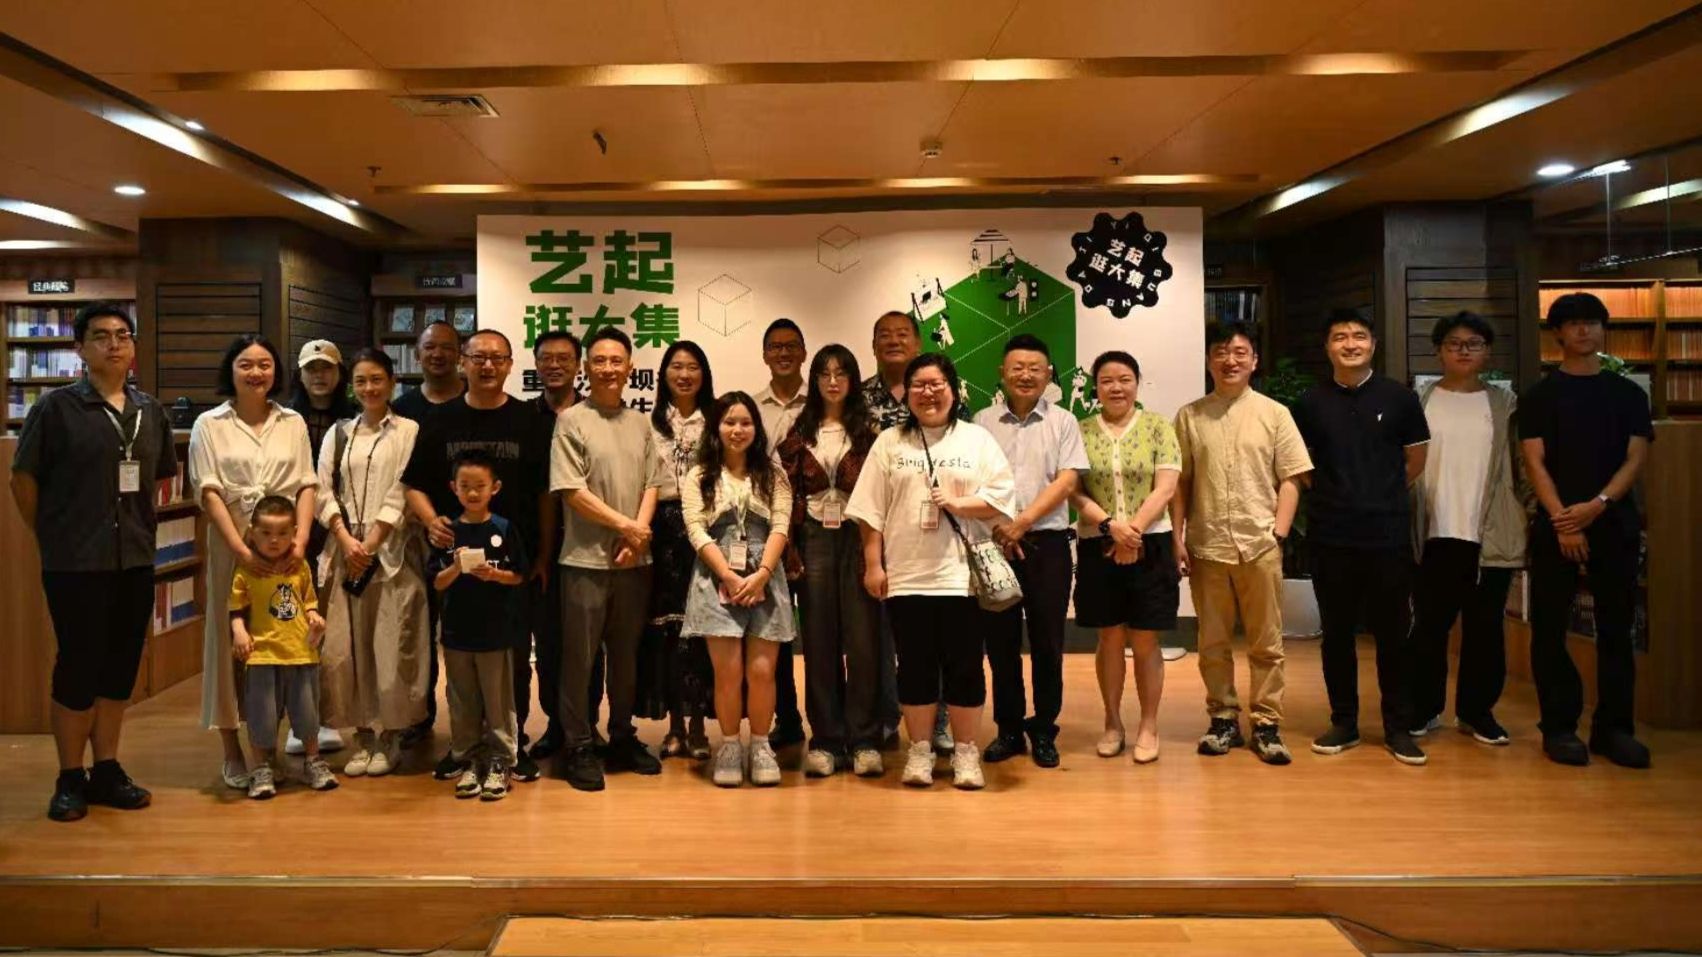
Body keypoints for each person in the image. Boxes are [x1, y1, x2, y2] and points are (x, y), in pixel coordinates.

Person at [10, 302, 176, 821]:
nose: (114, 344)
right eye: (101, 336)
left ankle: (106, 768)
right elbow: (23, 479)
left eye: (123, 335)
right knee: (78, 666)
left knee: (120, 665)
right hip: (75, 562)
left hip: (134, 558)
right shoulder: (56, 408)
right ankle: (69, 776)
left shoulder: (150, 410)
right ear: (80, 348)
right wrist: (51, 535)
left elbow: (159, 477)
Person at [847, 354, 1018, 790]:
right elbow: (870, 511)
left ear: (953, 390)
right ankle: (920, 751)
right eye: (919, 385)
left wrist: (959, 504)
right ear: (907, 394)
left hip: (962, 577)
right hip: (907, 575)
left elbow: (1001, 498)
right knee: (915, 668)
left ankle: (966, 752)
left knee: (965, 667)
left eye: (937, 384)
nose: (928, 393)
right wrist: (873, 564)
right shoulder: (890, 442)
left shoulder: (977, 440)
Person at [402, 329, 551, 784]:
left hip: (512, 561)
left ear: (510, 365)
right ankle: (464, 746)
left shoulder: (529, 420)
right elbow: (413, 485)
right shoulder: (440, 419)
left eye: (497, 358)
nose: (487, 366)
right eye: (478, 357)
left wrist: (543, 554)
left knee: (511, 661)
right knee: (460, 663)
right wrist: (431, 521)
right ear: (463, 362)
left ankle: (511, 746)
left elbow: (546, 494)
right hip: (454, 565)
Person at [1520, 292, 1653, 769]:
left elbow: (1635, 458)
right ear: (1557, 333)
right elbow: (1534, 462)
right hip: (1555, 527)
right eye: (1574, 323)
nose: (1584, 331)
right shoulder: (1539, 396)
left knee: (1617, 629)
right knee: (1549, 628)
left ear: (1603, 329)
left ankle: (1614, 729)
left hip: (1613, 523)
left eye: (1592, 322)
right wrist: (1564, 520)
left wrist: (1597, 506)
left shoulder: (1628, 394)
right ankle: (1558, 727)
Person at [1291, 310, 1430, 766]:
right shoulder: (1310, 403)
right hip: (1331, 534)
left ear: (1373, 344)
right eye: (1340, 337)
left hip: (1387, 534)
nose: (1350, 344)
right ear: (1327, 347)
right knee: (1336, 634)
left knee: (1393, 634)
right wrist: (1332, 494)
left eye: (1358, 336)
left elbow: (1415, 460)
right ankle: (1344, 722)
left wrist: (1378, 495)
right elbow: (1299, 463)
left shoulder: (1400, 398)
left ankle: (1397, 727)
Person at [1173, 322, 1312, 766]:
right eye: (1220, 352)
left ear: (1254, 360)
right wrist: (1178, 537)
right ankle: (1223, 719)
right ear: (1209, 360)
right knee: (1212, 641)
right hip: (1207, 544)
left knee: (1266, 642)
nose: (1229, 360)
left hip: (1260, 544)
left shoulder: (1275, 414)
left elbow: (1292, 477)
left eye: (1239, 352)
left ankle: (1267, 724)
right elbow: (1181, 483)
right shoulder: (1190, 416)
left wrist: (1279, 533)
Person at [188, 334, 317, 790]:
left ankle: (269, 750)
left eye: (264, 364)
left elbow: (306, 484)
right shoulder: (209, 424)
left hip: (285, 547)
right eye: (246, 364)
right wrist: (242, 550)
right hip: (233, 546)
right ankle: (232, 750)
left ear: (276, 372)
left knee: (281, 643)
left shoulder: (292, 421)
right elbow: (208, 491)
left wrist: (301, 539)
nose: (256, 372)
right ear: (231, 370)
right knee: (229, 643)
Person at [550, 327, 665, 791]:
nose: (608, 368)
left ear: (630, 368)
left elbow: (654, 483)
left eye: (617, 361)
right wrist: (627, 527)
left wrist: (637, 535)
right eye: (599, 361)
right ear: (585, 368)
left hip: (633, 561)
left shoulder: (641, 423)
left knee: (625, 656)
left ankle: (621, 735)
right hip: (584, 561)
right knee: (578, 659)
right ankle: (578, 744)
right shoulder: (570, 420)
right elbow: (571, 490)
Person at [1409, 312, 1525, 748]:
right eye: (1454, 343)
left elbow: (1521, 467)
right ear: (1438, 351)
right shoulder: (1419, 401)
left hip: (1488, 530)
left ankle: (1477, 713)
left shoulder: (1505, 405)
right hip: (1432, 530)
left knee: (1485, 628)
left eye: (1473, 343)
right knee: (1428, 626)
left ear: (1487, 352)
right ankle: (1424, 708)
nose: (1463, 350)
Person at [973, 335, 1088, 769]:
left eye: (1035, 368)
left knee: (1047, 641)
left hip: (1047, 545)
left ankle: (1043, 728)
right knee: (999, 642)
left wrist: (1021, 523)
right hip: (995, 543)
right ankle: (1008, 729)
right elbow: (974, 481)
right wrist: (1001, 528)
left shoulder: (1064, 421)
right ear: (1001, 373)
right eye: (1017, 367)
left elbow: (1067, 481)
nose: (1025, 375)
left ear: (1049, 375)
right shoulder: (982, 422)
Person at [315, 349, 430, 778]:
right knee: (348, 649)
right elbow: (321, 488)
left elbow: (404, 487)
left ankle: (391, 735)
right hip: (346, 553)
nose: (369, 388)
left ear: (392, 383)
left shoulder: (408, 430)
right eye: (361, 381)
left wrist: (373, 540)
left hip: (393, 551)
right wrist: (347, 540)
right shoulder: (338, 434)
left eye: (377, 379)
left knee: (392, 645)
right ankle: (363, 736)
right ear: (352, 386)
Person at [1069, 351, 1181, 765]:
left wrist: (1131, 531)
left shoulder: (1158, 426)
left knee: (1146, 639)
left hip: (1150, 543)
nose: (1116, 387)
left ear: (1137, 382)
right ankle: (1112, 721)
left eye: (1124, 379)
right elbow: (1073, 489)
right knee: (1110, 636)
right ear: (1095, 388)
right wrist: (1110, 527)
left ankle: (1149, 725)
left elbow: (1166, 486)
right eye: (1106, 381)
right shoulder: (1079, 430)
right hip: (1098, 542)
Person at [777, 345, 883, 778]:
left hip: (859, 537)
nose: (833, 381)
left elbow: (882, 496)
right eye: (825, 374)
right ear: (815, 380)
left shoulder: (870, 433)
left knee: (862, 641)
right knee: (818, 641)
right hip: (813, 538)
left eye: (842, 373)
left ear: (853, 379)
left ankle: (864, 739)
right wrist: (789, 550)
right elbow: (784, 495)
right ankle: (825, 739)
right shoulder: (799, 431)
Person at [860, 309, 961, 752]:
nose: (893, 341)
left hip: (939, 533)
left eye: (903, 334)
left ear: (919, 343)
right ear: (873, 345)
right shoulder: (859, 397)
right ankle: (886, 719)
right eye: (884, 335)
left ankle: (939, 722)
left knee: (935, 637)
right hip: (878, 526)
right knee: (881, 637)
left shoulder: (942, 389)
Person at [684, 393, 797, 787]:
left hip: (766, 576)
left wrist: (762, 573)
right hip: (716, 576)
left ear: (756, 428)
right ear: (716, 428)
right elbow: (695, 529)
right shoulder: (699, 475)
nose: (737, 430)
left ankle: (761, 746)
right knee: (727, 673)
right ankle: (731, 746)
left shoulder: (774, 474)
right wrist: (728, 577)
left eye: (745, 422)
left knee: (762, 671)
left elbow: (781, 524)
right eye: (729, 422)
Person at [428, 450, 529, 800]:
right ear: (453, 488)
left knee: (498, 701)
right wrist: (456, 568)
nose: (472, 493)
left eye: (480, 486)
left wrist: (495, 575)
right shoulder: (447, 532)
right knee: (462, 700)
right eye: (465, 486)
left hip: (496, 632)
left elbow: (519, 575)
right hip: (456, 633)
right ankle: (468, 758)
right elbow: (436, 581)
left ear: (494, 488)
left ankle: (502, 760)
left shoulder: (504, 528)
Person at [389, 320, 465, 743]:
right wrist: (425, 519)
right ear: (417, 354)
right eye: (430, 347)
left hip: (465, 535)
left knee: (461, 634)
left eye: (446, 347)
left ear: (460, 354)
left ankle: (467, 724)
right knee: (415, 630)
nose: (438, 354)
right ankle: (418, 716)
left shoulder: (472, 401)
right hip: (413, 535)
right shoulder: (401, 409)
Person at [230, 495, 335, 798]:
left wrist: (314, 616)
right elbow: (235, 609)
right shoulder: (246, 571)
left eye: (282, 533)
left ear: (294, 534)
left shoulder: (299, 567)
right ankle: (261, 767)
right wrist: (239, 632)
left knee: (307, 712)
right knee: (261, 713)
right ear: (252, 533)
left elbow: (309, 601)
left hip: (301, 653)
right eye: (266, 533)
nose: (274, 540)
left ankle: (313, 761)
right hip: (262, 655)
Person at [283, 339, 355, 757]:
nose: (319, 376)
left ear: (340, 373)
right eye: (311, 369)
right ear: (300, 374)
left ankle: (326, 716)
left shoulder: (354, 420)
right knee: (292, 624)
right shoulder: (285, 419)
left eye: (326, 368)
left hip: (338, 533)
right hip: (291, 536)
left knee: (329, 627)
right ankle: (298, 719)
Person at [647, 340, 716, 760]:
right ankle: (674, 726)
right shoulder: (649, 423)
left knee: (702, 630)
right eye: (676, 366)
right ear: (663, 374)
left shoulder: (717, 420)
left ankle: (699, 727)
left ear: (704, 374)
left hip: (705, 530)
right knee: (668, 632)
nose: (684, 374)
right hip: (661, 530)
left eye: (693, 367)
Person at [526, 330, 582, 763]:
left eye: (564, 358)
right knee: (547, 642)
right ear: (536, 365)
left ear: (578, 366)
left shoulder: (594, 414)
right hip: (538, 548)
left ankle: (584, 726)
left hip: (587, 544)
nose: (555, 365)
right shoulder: (525, 417)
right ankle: (555, 725)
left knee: (586, 643)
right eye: (547, 358)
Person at [753, 318, 808, 748]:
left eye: (791, 346)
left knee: (825, 631)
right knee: (776, 630)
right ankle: (786, 717)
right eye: (776, 347)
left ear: (804, 353)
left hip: (819, 530)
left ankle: (833, 722)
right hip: (769, 530)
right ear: (765, 355)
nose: (784, 353)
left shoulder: (822, 403)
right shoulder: (753, 409)